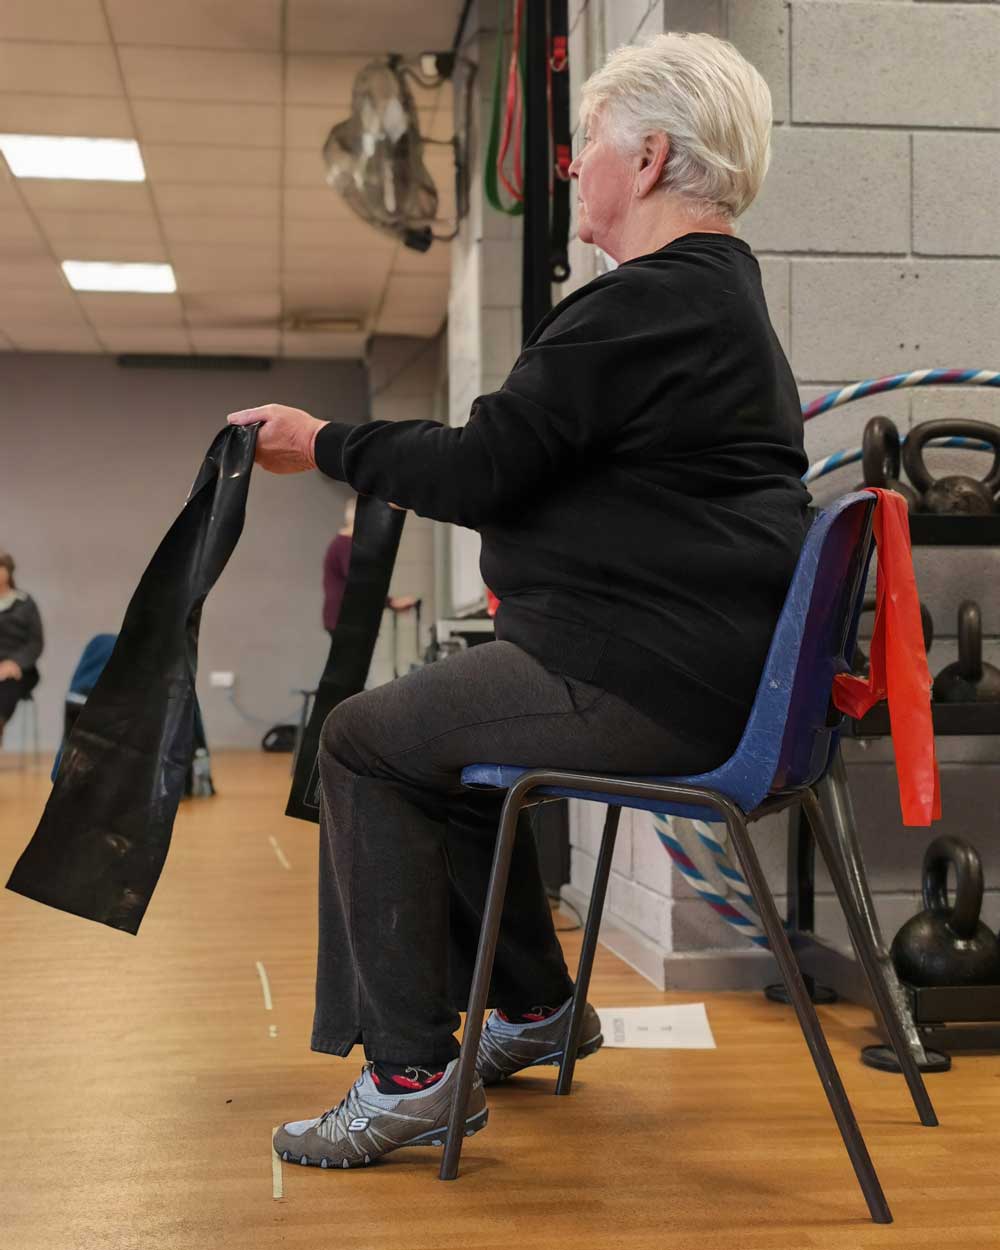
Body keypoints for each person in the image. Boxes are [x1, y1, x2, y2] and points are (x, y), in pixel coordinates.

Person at [229, 31, 811, 1170]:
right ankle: (538, 1009)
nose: (570, 165)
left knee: (359, 741)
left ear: (646, 161)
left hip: (650, 679)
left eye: (585, 141)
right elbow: (545, 470)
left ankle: (406, 1073)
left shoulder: (645, 305)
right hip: (684, 665)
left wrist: (327, 440)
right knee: (438, 753)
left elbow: (484, 464)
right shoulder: (703, 304)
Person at [323, 496, 417, 640]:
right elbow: (359, 581)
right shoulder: (346, 545)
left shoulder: (344, 543)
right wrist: (392, 603)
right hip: (347, 621)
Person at [0, 551, 43, 746]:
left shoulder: (25, 603)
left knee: (8, 683)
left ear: (9, 572)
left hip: (20, 670)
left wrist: (14, 663)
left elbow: (36, 642)